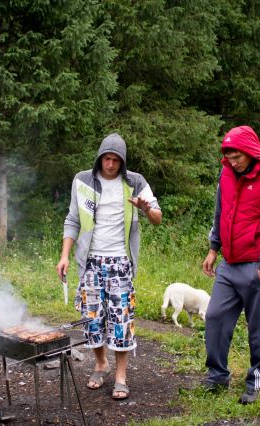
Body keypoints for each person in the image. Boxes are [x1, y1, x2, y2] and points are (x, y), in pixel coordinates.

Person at [56, 133, 162, 400]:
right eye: (107, 158)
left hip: (120, 263)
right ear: (100, 157)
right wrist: (65, 256)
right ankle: (101, 362)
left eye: (116, 160)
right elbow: (72, 219)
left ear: (122, 161)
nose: (111, 164)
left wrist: (145, 207)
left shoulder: (135, 182)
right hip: (90, 262)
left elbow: (157, 218)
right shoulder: (83, 181)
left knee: (121, 321)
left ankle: (121, 376)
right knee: (93, 320)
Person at [201, 125, 260, 404]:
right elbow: (220, 213)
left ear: (250, 152)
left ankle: (255, 381)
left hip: (257, 265)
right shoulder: (226, 175)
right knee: (215, 317)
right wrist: (214, 248)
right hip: (229, 263)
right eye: (228, 156)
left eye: (237, 156)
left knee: (258, 326)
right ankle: (217, 376)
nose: (233, 162)